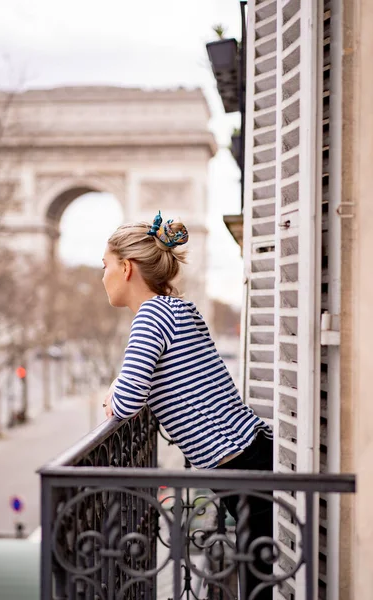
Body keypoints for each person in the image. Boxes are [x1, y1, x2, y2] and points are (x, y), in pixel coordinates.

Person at [102, 211, 274, 599]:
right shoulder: (178, 307)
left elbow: (126, 402)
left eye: (105, 266)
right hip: (248, 456)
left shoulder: (150, 317)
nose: (102, 277)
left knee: (260, 580)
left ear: (127, 268)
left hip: (242, 464)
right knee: (261, 571)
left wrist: (114, 390)